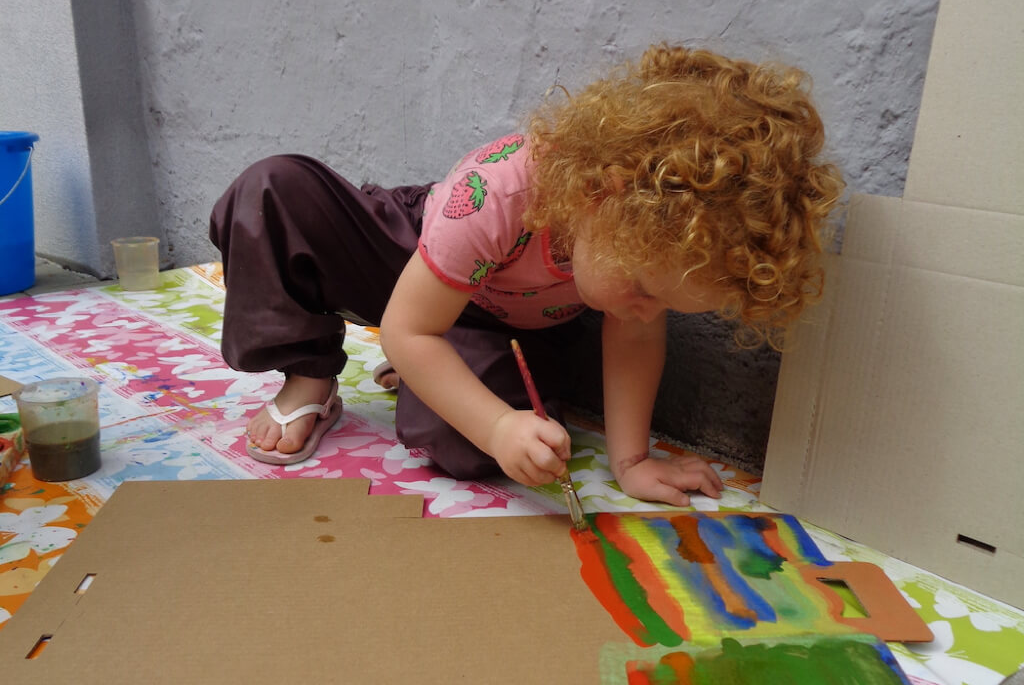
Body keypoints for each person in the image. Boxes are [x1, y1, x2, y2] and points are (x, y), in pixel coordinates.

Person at [209, 43, 844, 507]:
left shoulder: (638, 253)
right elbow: (406, 325)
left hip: (513, 322)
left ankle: (431, 370)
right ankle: (311, 376)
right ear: (602, 195)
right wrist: (463, 388)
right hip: (415, 258)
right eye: (647, 293)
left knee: (473, 449)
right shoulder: (499, 192)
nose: (648, 314)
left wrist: (628, 461)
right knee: (273, 190)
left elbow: (633, 337)